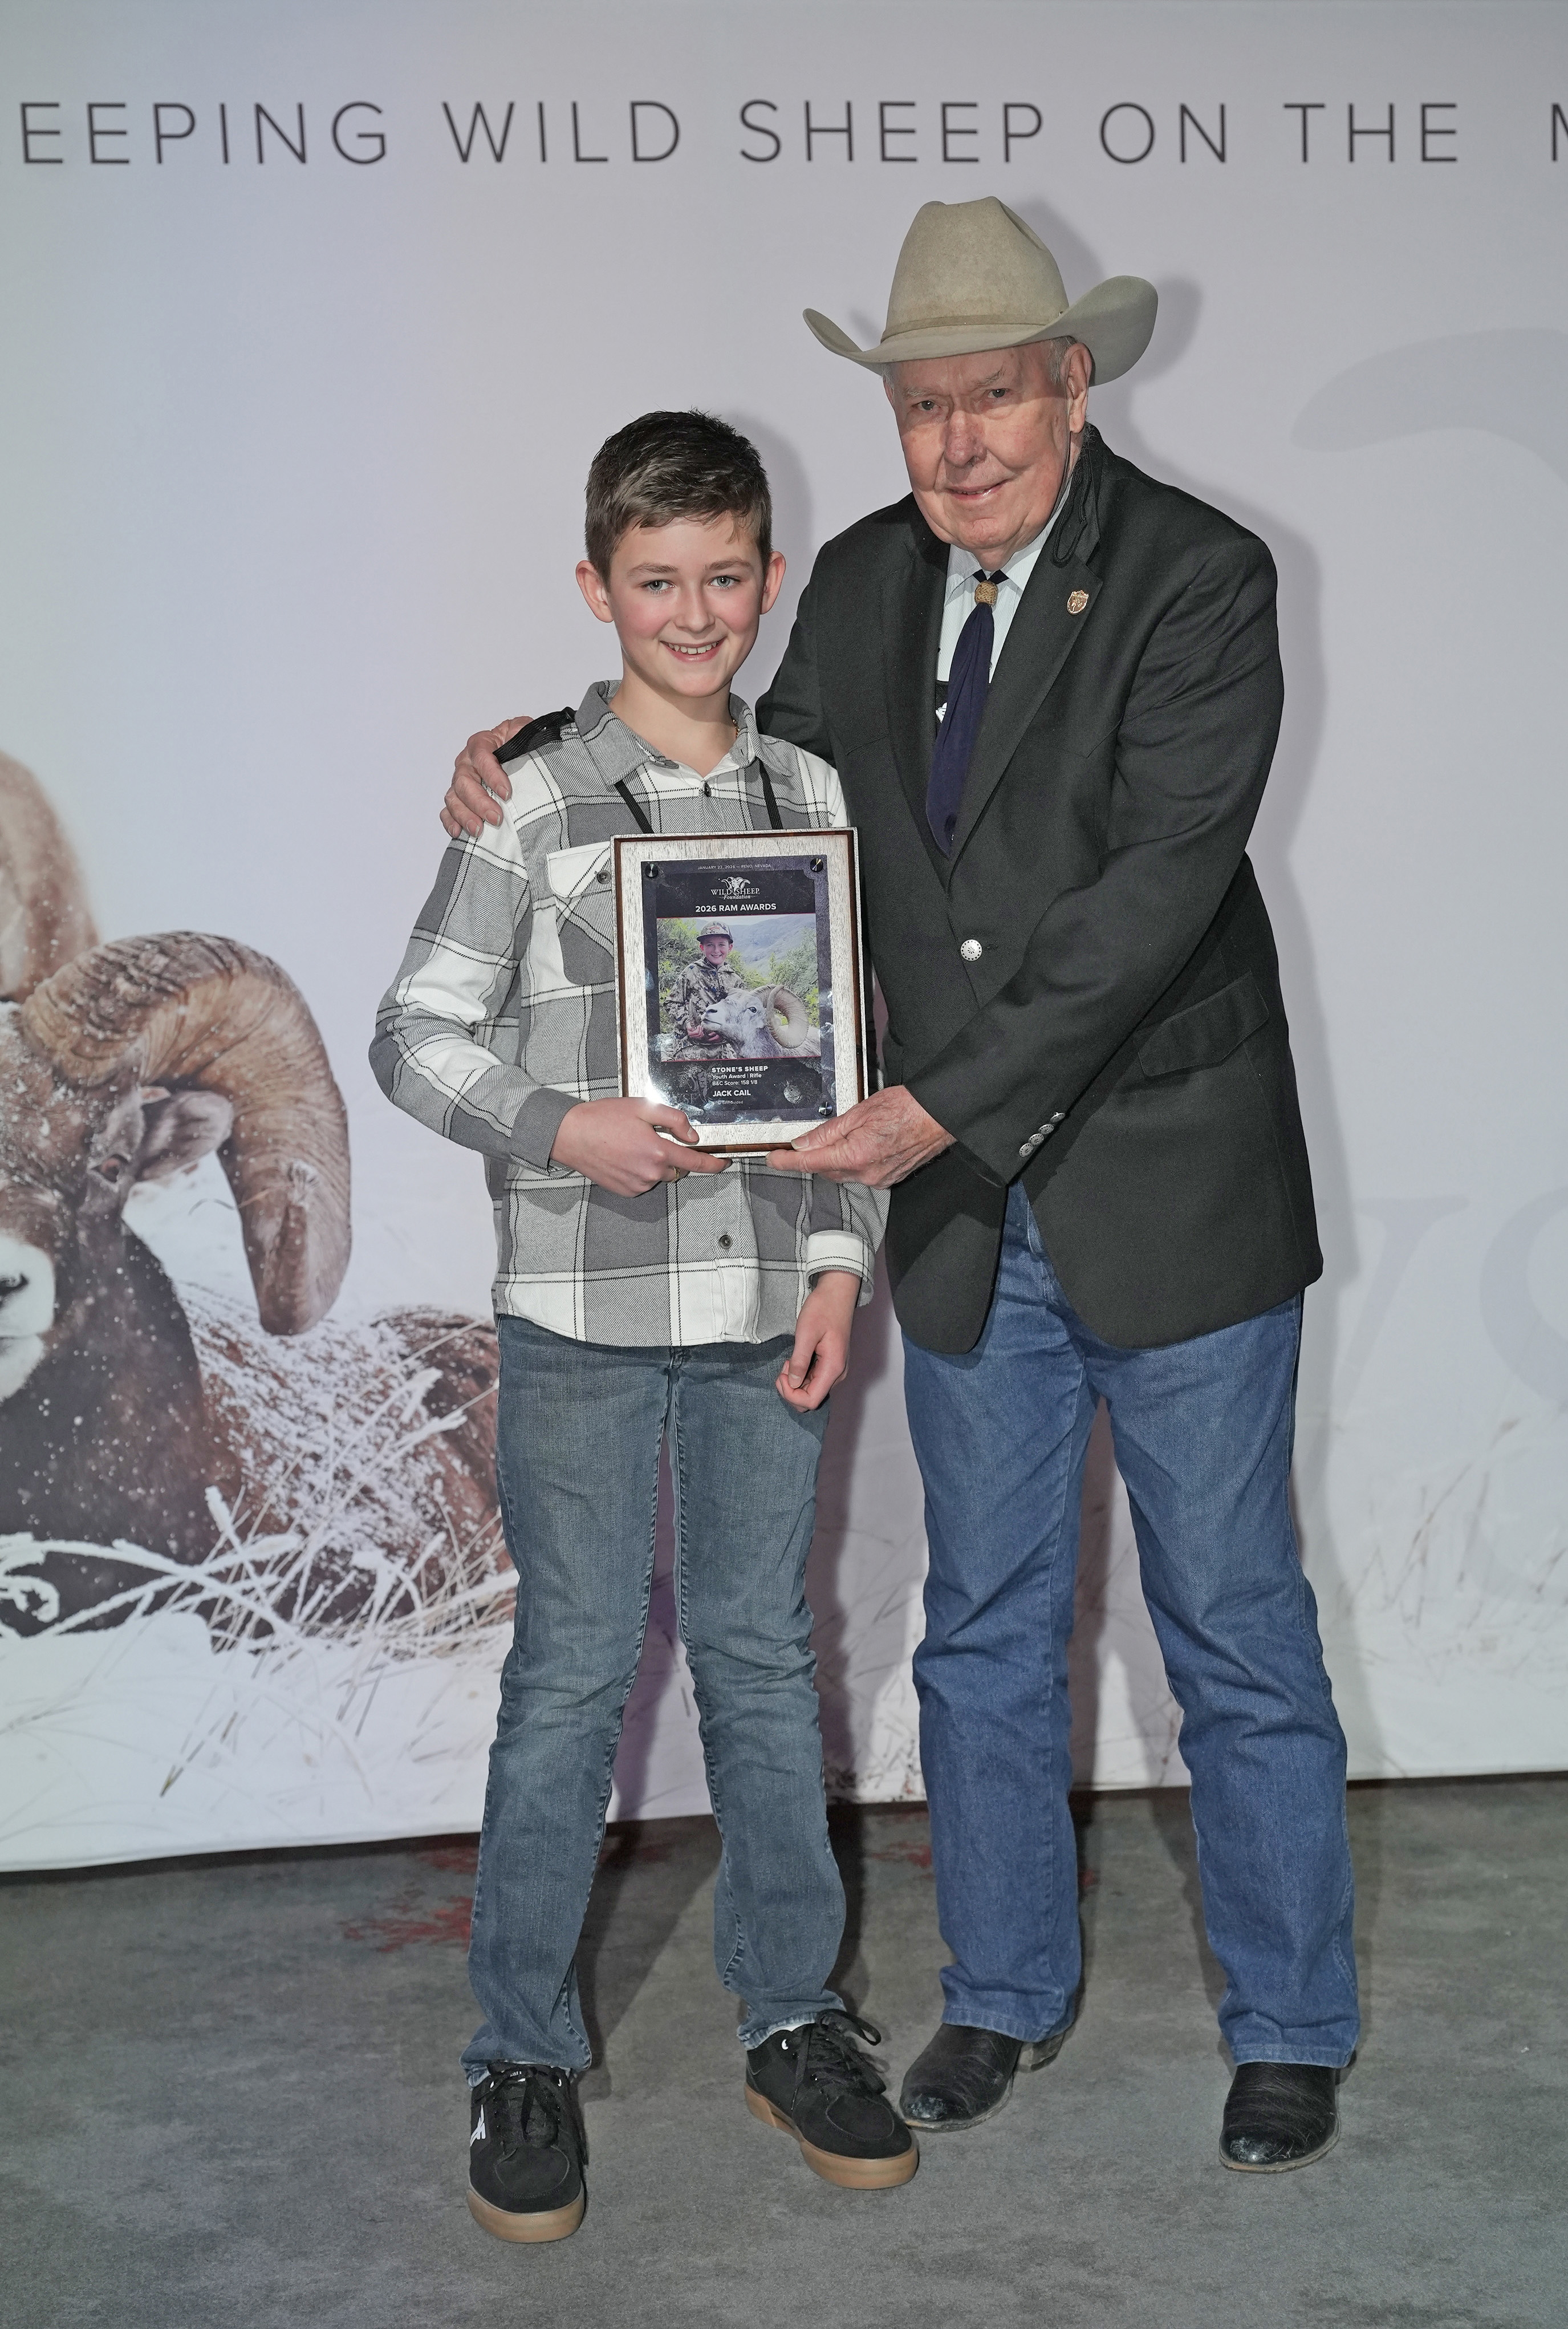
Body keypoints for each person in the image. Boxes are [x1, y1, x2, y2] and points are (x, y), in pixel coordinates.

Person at [440, 200, 1359, 2176]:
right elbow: (737, 771)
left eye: (993, 396)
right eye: (924, 404)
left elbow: (1146, 905)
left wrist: (927, 1104)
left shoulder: (1202, 576)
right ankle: (1002, 1990)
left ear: (1071, 386)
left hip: (1168, 1191)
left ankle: (1290, 2023)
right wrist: (533, 748)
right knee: (984, 1623)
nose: (959, 440)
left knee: (1231, 1623)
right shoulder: (859, 578)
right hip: (957, 1216)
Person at [372, 408, 915, 2244]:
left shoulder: (807, 793)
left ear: (767, 579)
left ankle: (791, 2014)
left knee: (762, 1661)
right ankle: (519, 2050)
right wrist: (560, 1124)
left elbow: (845, 1065)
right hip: (580, 1313)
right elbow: (414, 1032)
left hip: (765, 1302)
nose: (693, 613)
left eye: (723, 577)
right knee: (571, 1674)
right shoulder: (527, 796)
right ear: (596, 586)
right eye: (656, 580)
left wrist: (837, 1260)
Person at [674, 923, 744, 1054]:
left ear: (730, 947)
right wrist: (687, 1023)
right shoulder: (691, 972)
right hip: (690, 1045)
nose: (716, 950)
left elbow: (741, 1016)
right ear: (702, 947)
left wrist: (724, 1034)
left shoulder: (736, 981)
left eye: (721, 945)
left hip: (724, 1046)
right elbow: (672, 1003)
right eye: (710, 945)